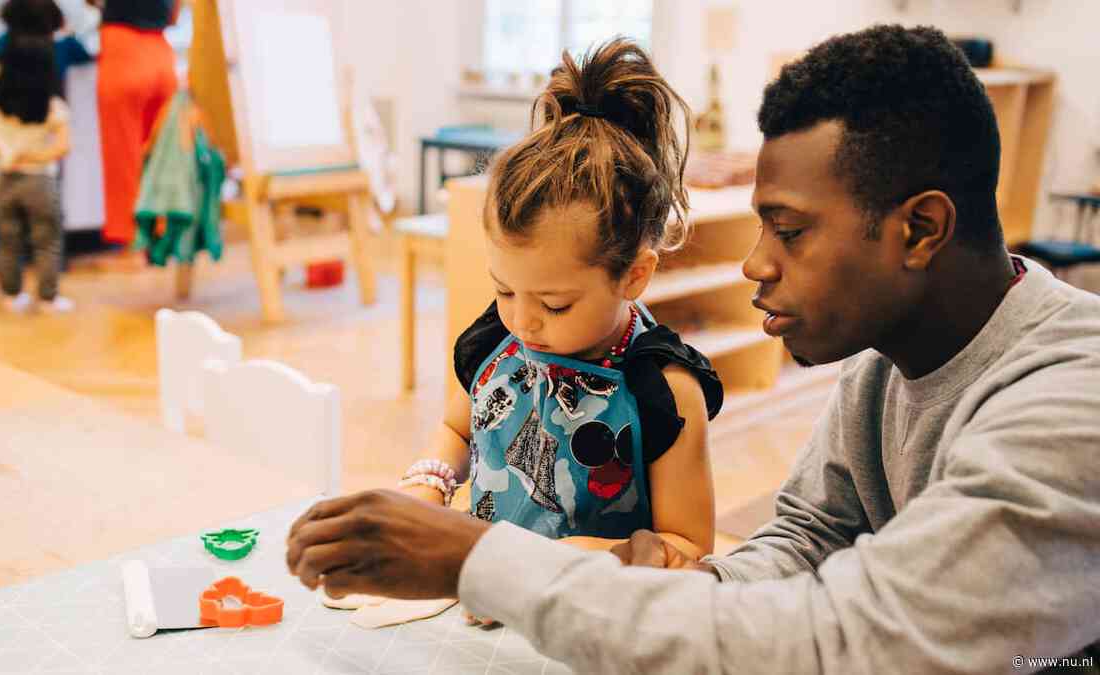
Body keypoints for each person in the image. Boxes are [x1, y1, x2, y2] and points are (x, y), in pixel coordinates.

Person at [285, 24, 1100, 674]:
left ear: (919, 228)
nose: (753, 263)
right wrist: (677, 580)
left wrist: (486, 560)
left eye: (788, 230)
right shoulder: (885, 370)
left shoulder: (1071, 403)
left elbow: (852, 639)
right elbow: (801, 541)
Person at [393, 39, 723, 627]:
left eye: (554, 303)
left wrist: (573, 563)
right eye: (504, 290)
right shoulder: (500, 341)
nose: (521, 321)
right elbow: (456, 427)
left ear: (634, 274)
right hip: (486, 607)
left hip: (595, 627)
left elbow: (688, 545)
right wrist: (430, 484)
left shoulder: (664, 390)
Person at [0, 35, 73, 313]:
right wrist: (34, 156)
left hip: (7, 179)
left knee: (7, 240)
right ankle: (49, 298)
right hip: (41, 181)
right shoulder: (52, 105)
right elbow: (63, 146)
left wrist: (3, 152)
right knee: (47, 240)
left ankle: (11, 296)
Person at [85, 0, 181, 259]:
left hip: (122, 47)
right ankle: (164, 241)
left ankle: (134, 247)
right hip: (161, 54)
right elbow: (174, 17)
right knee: (163, 157)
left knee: (123, 158)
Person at [0, 0, 93, 98]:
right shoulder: (65, 46)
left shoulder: (4, 43)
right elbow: (89, 64)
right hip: (53, 105)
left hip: (9, 104)